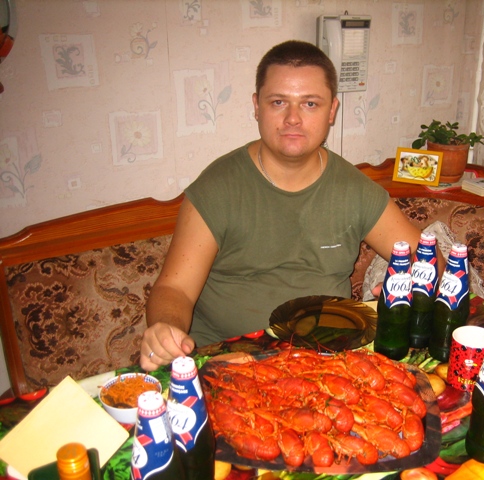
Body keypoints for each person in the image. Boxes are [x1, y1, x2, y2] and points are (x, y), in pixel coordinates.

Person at [140, 40, 421, 371]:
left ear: (332, 111)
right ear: (257, 106)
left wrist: (409, 286)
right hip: (230, 363)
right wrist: (166, 329)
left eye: (310, 104)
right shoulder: (217, 188)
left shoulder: (355, 189)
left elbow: (430, 262)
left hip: (326, 362)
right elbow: (175, 289)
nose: (293, 119)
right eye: (278, 102)